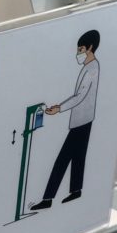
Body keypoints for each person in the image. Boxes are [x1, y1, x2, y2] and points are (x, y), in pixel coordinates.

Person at [31, 30, 100, 210]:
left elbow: (80, 96)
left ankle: (48, 199)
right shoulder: (90, 67)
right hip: (84, 119)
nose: (78, 53)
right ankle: (76, 190)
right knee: (78, 157)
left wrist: (59, 108)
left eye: (81, 49)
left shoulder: (91, 69)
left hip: (81, 120)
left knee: (63, 159)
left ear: (90, 48)